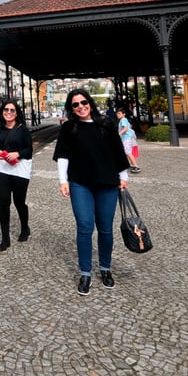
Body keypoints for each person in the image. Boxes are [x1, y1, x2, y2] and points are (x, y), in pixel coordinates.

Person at [53, 89, 130, 296]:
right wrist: (63, 180)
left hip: (107, 183)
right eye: (75, 104)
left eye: (83, 102)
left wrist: (124, 177)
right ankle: (85, 272)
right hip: (80, 184)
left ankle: (105, 268)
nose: (80, 107)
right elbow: (62, 155)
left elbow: (118, 152)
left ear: (90, 103)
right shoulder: (69, 128)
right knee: (85, 227)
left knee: (105, 228)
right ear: (71, 108)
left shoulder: (106, 124)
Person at [0, 100, 34, 252]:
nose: (8, 112)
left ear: (16, 113)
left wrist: (17, 153)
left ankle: (25, 228)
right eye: (6, 110)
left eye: (12, 110)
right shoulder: (0, 129)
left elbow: (29, 151)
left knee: (19, 202)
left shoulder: (23, 130)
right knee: (3, 203)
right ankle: (5, 238)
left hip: (20, 170)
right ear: (2, 111)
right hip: (3, 169)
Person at [116, 108, 140, 173]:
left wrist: (118, 134)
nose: (117, 115)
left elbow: (125, 129)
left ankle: (136, 166)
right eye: (117, 113)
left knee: (128, 152)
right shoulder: (125, 120)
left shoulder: (123, 120)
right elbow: (129, 127)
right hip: (126, 138)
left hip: (126, 138)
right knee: (126, 152)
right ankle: (127, 165)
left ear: (124, 114)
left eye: (119, 113)